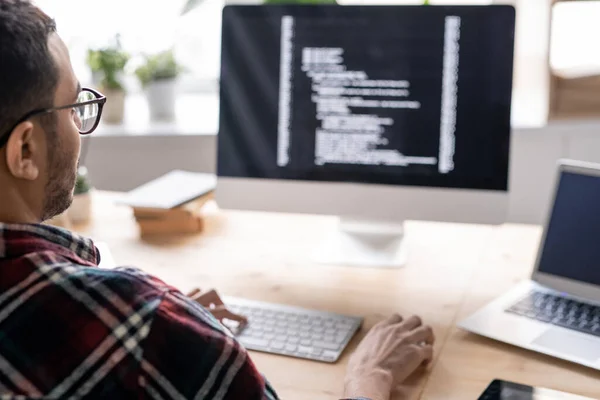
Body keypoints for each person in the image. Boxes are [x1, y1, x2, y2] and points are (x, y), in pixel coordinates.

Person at [0, 1, 435, 399]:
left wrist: (166, 327)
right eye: (73, 106)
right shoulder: (140, 321)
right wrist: (368, 378)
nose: (80, 120)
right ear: (25, 151)